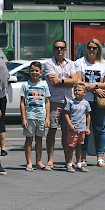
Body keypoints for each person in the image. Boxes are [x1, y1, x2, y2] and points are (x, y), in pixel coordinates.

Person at [74, 39, 105, 167]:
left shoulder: (104, 64)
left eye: (94, 48)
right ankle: (83, 157)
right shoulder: (80, 62)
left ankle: (100, 157)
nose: (91, 50)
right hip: (84, 101)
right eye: (89, 47)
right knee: (83, 129)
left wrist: (94, 86)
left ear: (98, 50)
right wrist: (96, 89)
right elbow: (78, 81)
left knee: (99, 128)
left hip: (99, 102)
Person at [44, 39, 77, 170]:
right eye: (57, 48)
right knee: (52, 130)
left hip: (68, 101)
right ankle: (50, 160)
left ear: (65, 50)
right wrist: (68, 80)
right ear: (53, 50)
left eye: (62, 48)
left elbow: (75, 80)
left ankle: (67, 160)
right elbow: (53, 82)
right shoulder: (49, 63)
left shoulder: (71, 63)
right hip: (54, 100)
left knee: (67, 131)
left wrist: (61, 80)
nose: (59, 50)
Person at [20, 61, 51, 171]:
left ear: (41, 72)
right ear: (29, 72)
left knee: (39, 140)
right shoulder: (26, 85)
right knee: (29, 139)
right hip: (30, 116)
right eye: (32, 70)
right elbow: (22, 102)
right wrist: (23, 118)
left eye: (36, 70)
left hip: (41, 116)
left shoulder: (44, 85)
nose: (34, 72)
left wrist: (47, 118)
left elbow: (47, 102)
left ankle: (39, 162)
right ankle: (29, 162)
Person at [64, 82, 92, 172]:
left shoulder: (86, 103)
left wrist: (87, 128)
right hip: (73, 129)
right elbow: (66, 114)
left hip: (82, 129)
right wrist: (70, 125)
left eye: (79, 90)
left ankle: (79, 164)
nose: (77, 92)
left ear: (84, 92)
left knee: (79, 147)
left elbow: (88, 115)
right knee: (71, 147)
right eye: (75, 90)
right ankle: (69, 164)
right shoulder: (71, 102)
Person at [0, 57, 9, 156]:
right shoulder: (1, 62)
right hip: (1, 94)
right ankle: (3, 148)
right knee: (1, 120)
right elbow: (7, 76)